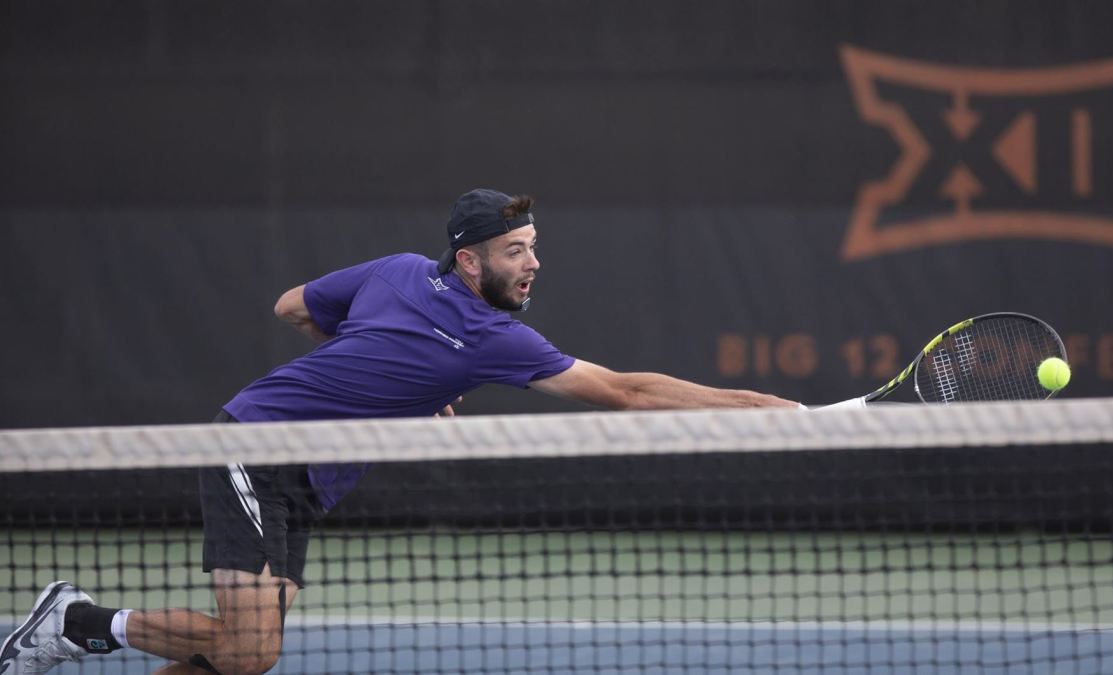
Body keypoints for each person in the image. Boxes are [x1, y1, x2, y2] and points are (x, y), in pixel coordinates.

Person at [1, 189, 800, 674]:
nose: (533, 266)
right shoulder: (495, 337)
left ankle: (80, 624)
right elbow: (626, 392)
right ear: (467, 262)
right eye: (515, 252)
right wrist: (767, 411)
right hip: (254, 445)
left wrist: (382, 370)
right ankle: (75, 620)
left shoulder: (390, 271)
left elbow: (292, 306)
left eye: (534, 249)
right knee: (251, 651)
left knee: (241, 655)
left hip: (308, 478)